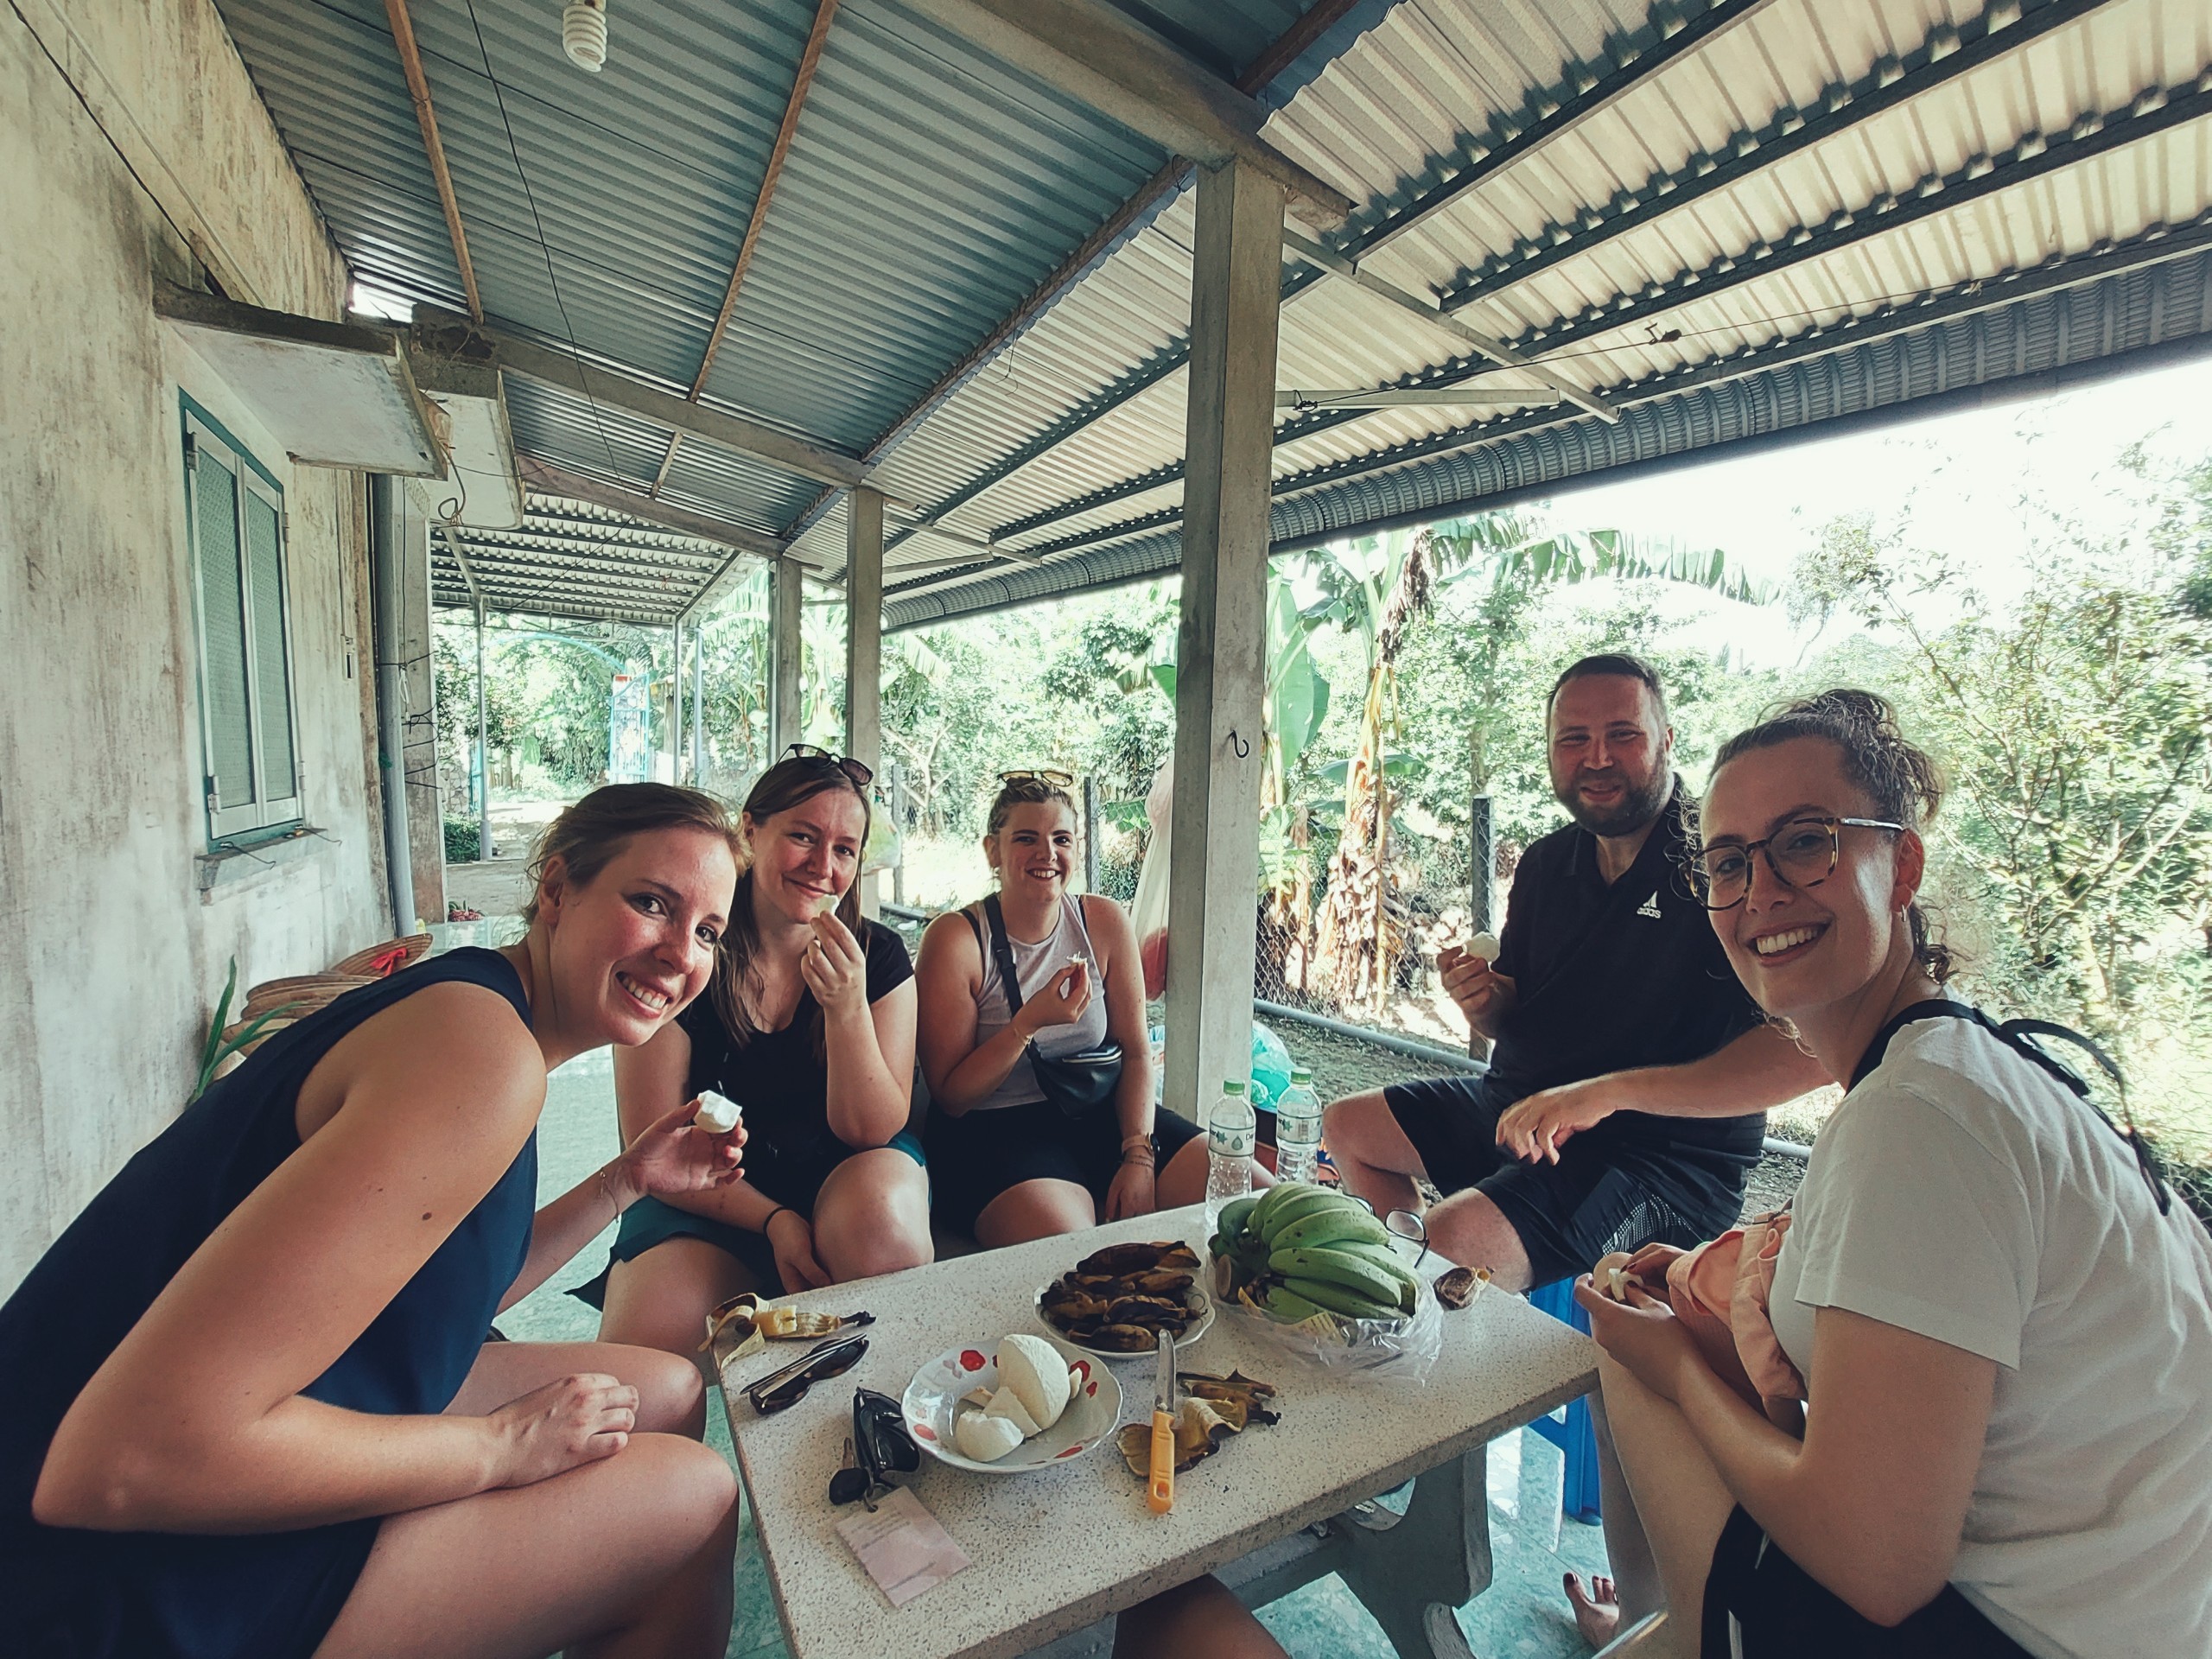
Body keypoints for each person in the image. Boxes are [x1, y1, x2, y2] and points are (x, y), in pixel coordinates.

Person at [0, 783, 753, 1659]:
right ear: (555, 891)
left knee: (665, 1390)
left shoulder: (476, 1004)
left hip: (224, 1440)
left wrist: (627, 1182)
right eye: (651, 902)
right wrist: (496, 1450)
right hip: (106, 1576)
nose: (679, 954)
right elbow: (127, 1461)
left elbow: (432, 1297)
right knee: (691, 1500)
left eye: (706, 931)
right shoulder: (479, 1058)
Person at [1573, 690, 2212, 1657]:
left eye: (1805, 842)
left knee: (1628, 1347)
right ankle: (1663, 1625)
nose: (1759, 894)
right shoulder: (1984, 1065)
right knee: (1666, 1304)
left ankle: (1674, 1636)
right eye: (1728, 862)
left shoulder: (1917, 1120)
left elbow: (1876, 1567)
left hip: (2007, 1633)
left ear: (1899, 864)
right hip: (2135, 1613)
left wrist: (1673, 1365)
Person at [1324, 655, 1827, 1291]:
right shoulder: (1546, 864)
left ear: (1667, 741)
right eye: (1574, 739)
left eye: (1623, 735)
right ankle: (1423, 1311)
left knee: (1452, 1241)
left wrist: (1607, 1093)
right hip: (1524, 1114)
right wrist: (1482, 1001)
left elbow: (1807, 1046)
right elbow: (1515, 1013)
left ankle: (1435, 1313)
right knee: (1348, 1126)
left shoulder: (1718, 861)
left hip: (1654, 1161)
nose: (1597, 759)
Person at [593, 747, 931, 1357]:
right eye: (802, 836)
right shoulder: (688, 954)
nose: (822, 866)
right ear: (750, 830)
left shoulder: (875, 958)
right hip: (702, 1189)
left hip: (844, 1171)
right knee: (645, 1352)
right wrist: (775, 1219)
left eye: (845, 850)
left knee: (885, 1241)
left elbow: (872, 1129)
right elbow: (654, 1143)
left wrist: (847, 1010)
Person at [915, 771, 1210, 1246]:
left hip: (1095, 1111)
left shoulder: (1104, 922)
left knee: (1247, 1193)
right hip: (993, 1132)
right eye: (1025, 839)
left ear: (1078, 848)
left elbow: (1135, 1052)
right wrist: (1027, 1023)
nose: (1046, 854)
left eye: (1061, 839)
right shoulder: (957, 939)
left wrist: (1139, 1156)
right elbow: (951, 1095)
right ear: (993, 850)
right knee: (1073, 1249)